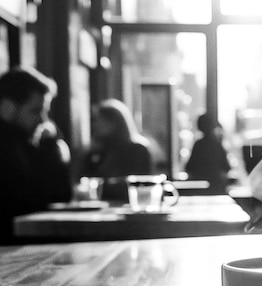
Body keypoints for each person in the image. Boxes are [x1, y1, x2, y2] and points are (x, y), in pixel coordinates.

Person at [0, 66, 72, 244]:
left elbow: (59, 196)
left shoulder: (23, 143)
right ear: (8, 107)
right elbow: (51, 197)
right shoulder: (10, 148)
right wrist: (50, 147)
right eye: (36, 110)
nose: (43, 120)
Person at [82, 98, 154, 199]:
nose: (95, 124)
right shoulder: (97, 151)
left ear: (114, 122)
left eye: (100, 119)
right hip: (100, 207)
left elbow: (140, 184)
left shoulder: (137, 149)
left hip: (129, 205)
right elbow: (86, 180)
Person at [185, 113, 231, 194]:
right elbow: (226, 167)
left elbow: (189, 167)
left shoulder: (199, 145)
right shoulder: (216, 144)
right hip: (216, 187)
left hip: (200, 188)